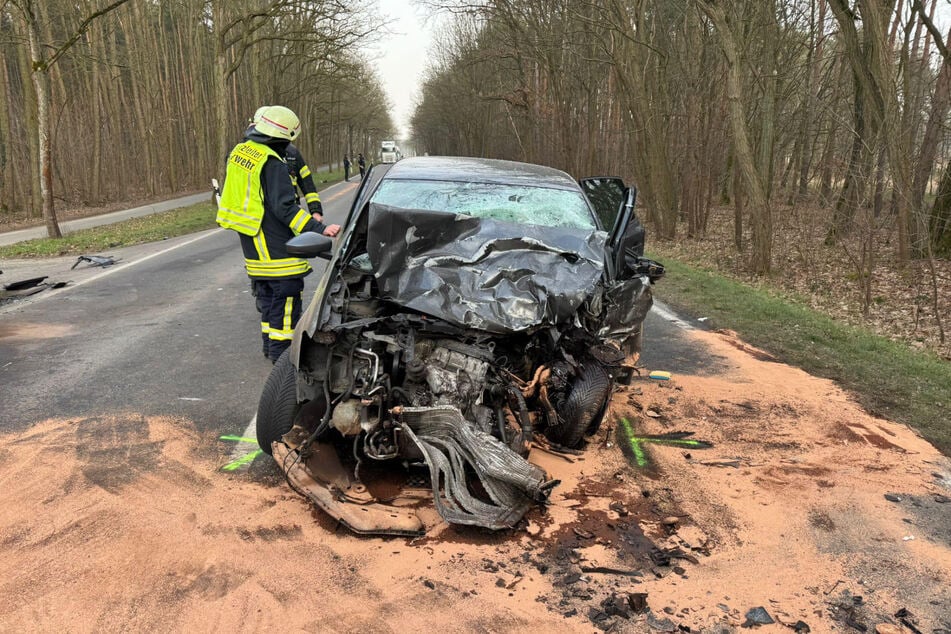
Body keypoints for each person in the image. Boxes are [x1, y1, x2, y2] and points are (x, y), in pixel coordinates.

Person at [217, 105, 341, 362]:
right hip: (274, 246)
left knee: (268, 301)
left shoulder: (241, 152)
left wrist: (314, 209)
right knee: (285, 301)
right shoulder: (272, 163)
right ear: (284, 137)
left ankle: (268, 347)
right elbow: (285, 208)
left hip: (252, 240)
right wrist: (319, 228)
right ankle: (282, 361)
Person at [248, 107, 323, 221]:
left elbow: (307, 183)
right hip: (264, 215)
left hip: (291, 210)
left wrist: (315, 211)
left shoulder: (292, 152)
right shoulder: (250, 153)